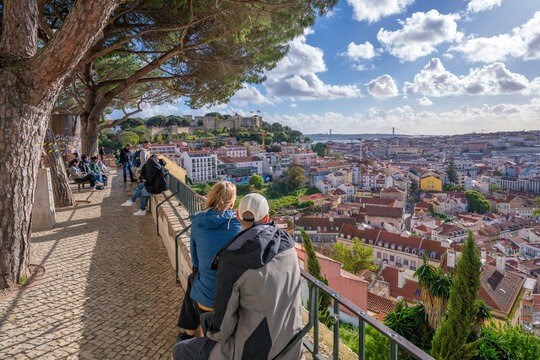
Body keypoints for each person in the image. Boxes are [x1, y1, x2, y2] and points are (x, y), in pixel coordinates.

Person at [172, 193, 303, 360]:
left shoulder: (233, 258)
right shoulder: (287, 243)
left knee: (179, 351)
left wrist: (207, 324)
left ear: (237, 216)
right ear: (267, 217)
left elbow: (221, 330)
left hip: (253, 352)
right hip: (292, 346)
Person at [175, 182, 241, 343]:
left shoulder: (198, 223)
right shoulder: (237, 224)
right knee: (196, 279)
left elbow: (196, 260)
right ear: (232, 203)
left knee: (195, 278)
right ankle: (190, 335)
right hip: (231, 294)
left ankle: (188, 333)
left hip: (205, 299)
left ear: (210, 198)